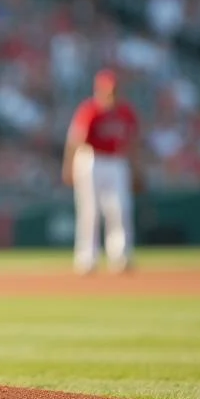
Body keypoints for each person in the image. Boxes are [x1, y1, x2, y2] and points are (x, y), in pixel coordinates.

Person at [63, 69, 141, 275]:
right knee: (90, 211)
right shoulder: (90, 110)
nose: (112, 93)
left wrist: (136, 169)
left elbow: (133, 143)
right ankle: (87, 258)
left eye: (114, 89)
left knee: (121, 208)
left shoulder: (125, 112)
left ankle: (121, 256)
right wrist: (69, 166)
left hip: (116, 161)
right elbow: (75, 141)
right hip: (91, 159)